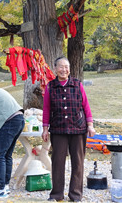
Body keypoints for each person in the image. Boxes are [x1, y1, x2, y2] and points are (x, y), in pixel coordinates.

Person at [41, 57, 96, 202]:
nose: (64, 70)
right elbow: (46, 109)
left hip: (78, 128)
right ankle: (56, 194)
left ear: (69, 69)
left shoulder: (77, 85)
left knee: (78, 162)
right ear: (55, 68)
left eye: (66, 67)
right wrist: (45, 128)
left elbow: (86, 106)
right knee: (57, 162)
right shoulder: (50, 86)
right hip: (58, 129)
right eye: (61, 67)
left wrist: (90, 125)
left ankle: (75, 195)